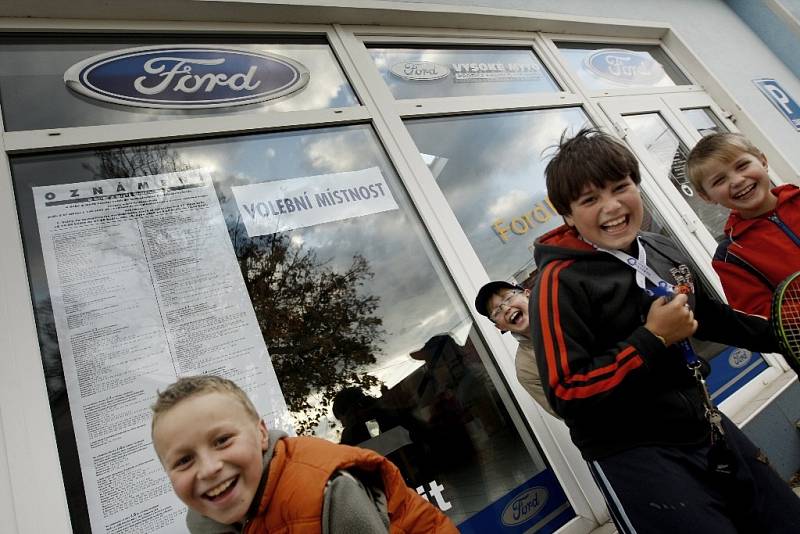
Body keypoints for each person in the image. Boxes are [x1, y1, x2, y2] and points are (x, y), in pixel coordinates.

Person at [529, 128, 800, 533]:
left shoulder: (659, 247)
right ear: (567, 214)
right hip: (636, 453)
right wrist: (651, 339)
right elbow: (568, 391)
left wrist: (785, 334)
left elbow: (711, 318)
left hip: (704, 422)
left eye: (621, 187)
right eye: (590, 199)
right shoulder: (557, 283)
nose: (612, 206)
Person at [150, 375, 458, 534]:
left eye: (222, 440)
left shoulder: (329, 490)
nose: (208, 469)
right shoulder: (201, 521)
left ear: (260, 434)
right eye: (183, 460)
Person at [685, 132, 800, 317]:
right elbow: (761, 317)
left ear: (762, 161)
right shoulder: (730, 257)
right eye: (719, 180)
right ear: (706, 197)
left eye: (742, 166)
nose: (737, 181)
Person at [474, 280, 560, 418]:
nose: (506, 308)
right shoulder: (526, 369)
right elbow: (566, 412)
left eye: (508, 298)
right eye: (497, 312)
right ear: (500, 327)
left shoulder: (570, 312)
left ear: (528, 294)